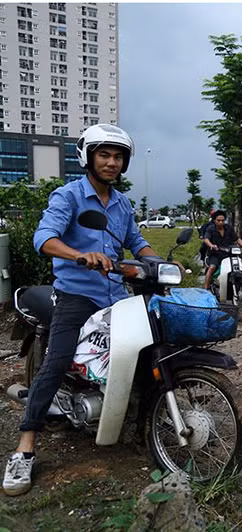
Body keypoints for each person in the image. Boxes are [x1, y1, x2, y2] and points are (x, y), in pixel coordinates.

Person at [3, 124, 161, 496]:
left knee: (149, 345)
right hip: (76, 294)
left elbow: (136, 242)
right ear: (89, 158)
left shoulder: (121, 204)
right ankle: (24, 448)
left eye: (118, 157)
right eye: (104, 155)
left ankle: (139, 417)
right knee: (55, 364)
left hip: (114, 294)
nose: (111, 162)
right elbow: (44, 238)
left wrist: (158, 262)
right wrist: (80, 255)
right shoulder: (69, 196)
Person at [202, 210, 242, 299]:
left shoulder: (228, 228)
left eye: (222, 220)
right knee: (212, 267)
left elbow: (237, 239)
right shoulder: (210, 229)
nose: (221, 222)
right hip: (215, 254)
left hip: (228, 254)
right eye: (218, 220)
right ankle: (205, 290)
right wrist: (212, 245)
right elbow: (206, 239)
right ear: (214, 220)